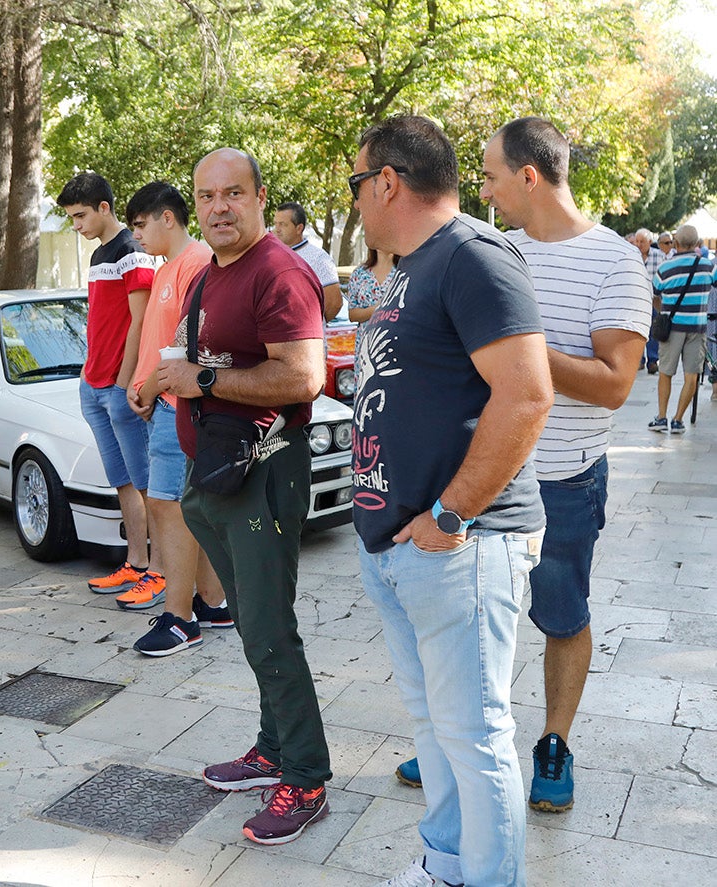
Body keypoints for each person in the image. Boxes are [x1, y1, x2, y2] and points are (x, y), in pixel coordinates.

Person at [396, 117, 650, 816]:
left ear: (529, 176)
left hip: (564, 479)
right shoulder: (488, 249)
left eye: (490, 175)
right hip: (476, 476)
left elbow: (613, 383)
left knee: (561, 617)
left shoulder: (615, 261)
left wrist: (520, 352)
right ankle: (458, 737)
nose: (482, 189)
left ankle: (554, 744)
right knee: (467, 617)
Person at [349, 115, 552, 887]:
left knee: (473, 733)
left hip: (462, 545)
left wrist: (449, 513)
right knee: (436, 729)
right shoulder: (411, 264)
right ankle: (446, 866)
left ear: (388, 181)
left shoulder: (472, 255)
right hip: (401, 544)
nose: (358, 198)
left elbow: (527, 396)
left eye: (357, 183)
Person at [155, 148, 332, 846]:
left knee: (267, 630)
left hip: (264, 474)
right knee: (256, 629)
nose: (219, 206)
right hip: (219, 477)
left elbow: (302, 378)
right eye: (207, 195)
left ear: (261, 197)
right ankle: (272, 748)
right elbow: (202, 356)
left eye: (234, 193)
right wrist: (162, 380)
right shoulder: (213, 271)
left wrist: (195, 380)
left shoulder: (280, 272)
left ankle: (308, 777)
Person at [119, 181, 231, 646]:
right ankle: (213, 604)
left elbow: (188, 349)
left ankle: (180, 617)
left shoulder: (197, 265)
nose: (137, 237)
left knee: (170, 509)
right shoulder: (166, 269)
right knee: (184, 510)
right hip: (162, 403)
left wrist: (146, 387)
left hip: (177, 405)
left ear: (168, 218)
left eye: (141, 225)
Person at [56, 173, 155, 595]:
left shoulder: (133, 251)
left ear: (104, 208)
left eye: (80, 216)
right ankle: (136, 563)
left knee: (150, 486)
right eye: (71, 218)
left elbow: (141, 321)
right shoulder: (100, 256)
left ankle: (163, 573)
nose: (76, 225)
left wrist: (122, 382)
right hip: (93, 385)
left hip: (118, 388)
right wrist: (88, 374)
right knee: (124, 483)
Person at [649, 224, 713, 433]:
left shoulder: (665, 269)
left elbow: (655, 293)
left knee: (665, 372)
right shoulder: (707, 266)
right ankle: (678, 420)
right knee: (691, 375)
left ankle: (661, 417)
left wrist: (663, 312)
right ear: (696, 244)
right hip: (697, 327)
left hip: (672, 329)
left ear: (675, 244)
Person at [271, 201, 343, 320]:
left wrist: (311, 323)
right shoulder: (271, 256)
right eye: (276, 224)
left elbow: (334, 303)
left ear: (299, 228)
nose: (277, 229)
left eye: (283, 224)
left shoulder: (318, 258)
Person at [344, 247, 396, 384]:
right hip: (365, 344)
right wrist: (377, 309)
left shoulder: (404, 272)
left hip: (395, 343)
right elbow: (352, 314)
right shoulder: (360, 274)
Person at [636, 228, 664, 374]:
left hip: (654, 299)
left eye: (642, 241)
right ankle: (639, 360)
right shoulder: (632, 256)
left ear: (650, 242)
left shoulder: (659, 256)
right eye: (637, 241)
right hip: (636, 299)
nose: (639, 245)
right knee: (637, 330)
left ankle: (652, 361)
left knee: (653, 330)